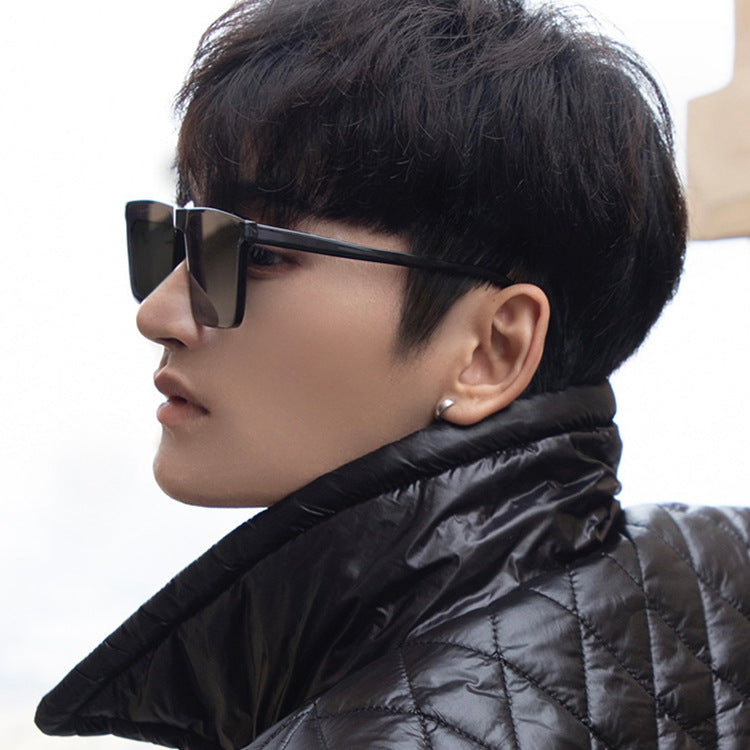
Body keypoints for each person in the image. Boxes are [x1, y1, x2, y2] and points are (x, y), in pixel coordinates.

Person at [35, 0, 750, 747]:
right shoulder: (711, 569)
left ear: (492, 350)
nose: (158, 313)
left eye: (255, 252)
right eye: (176, 238)